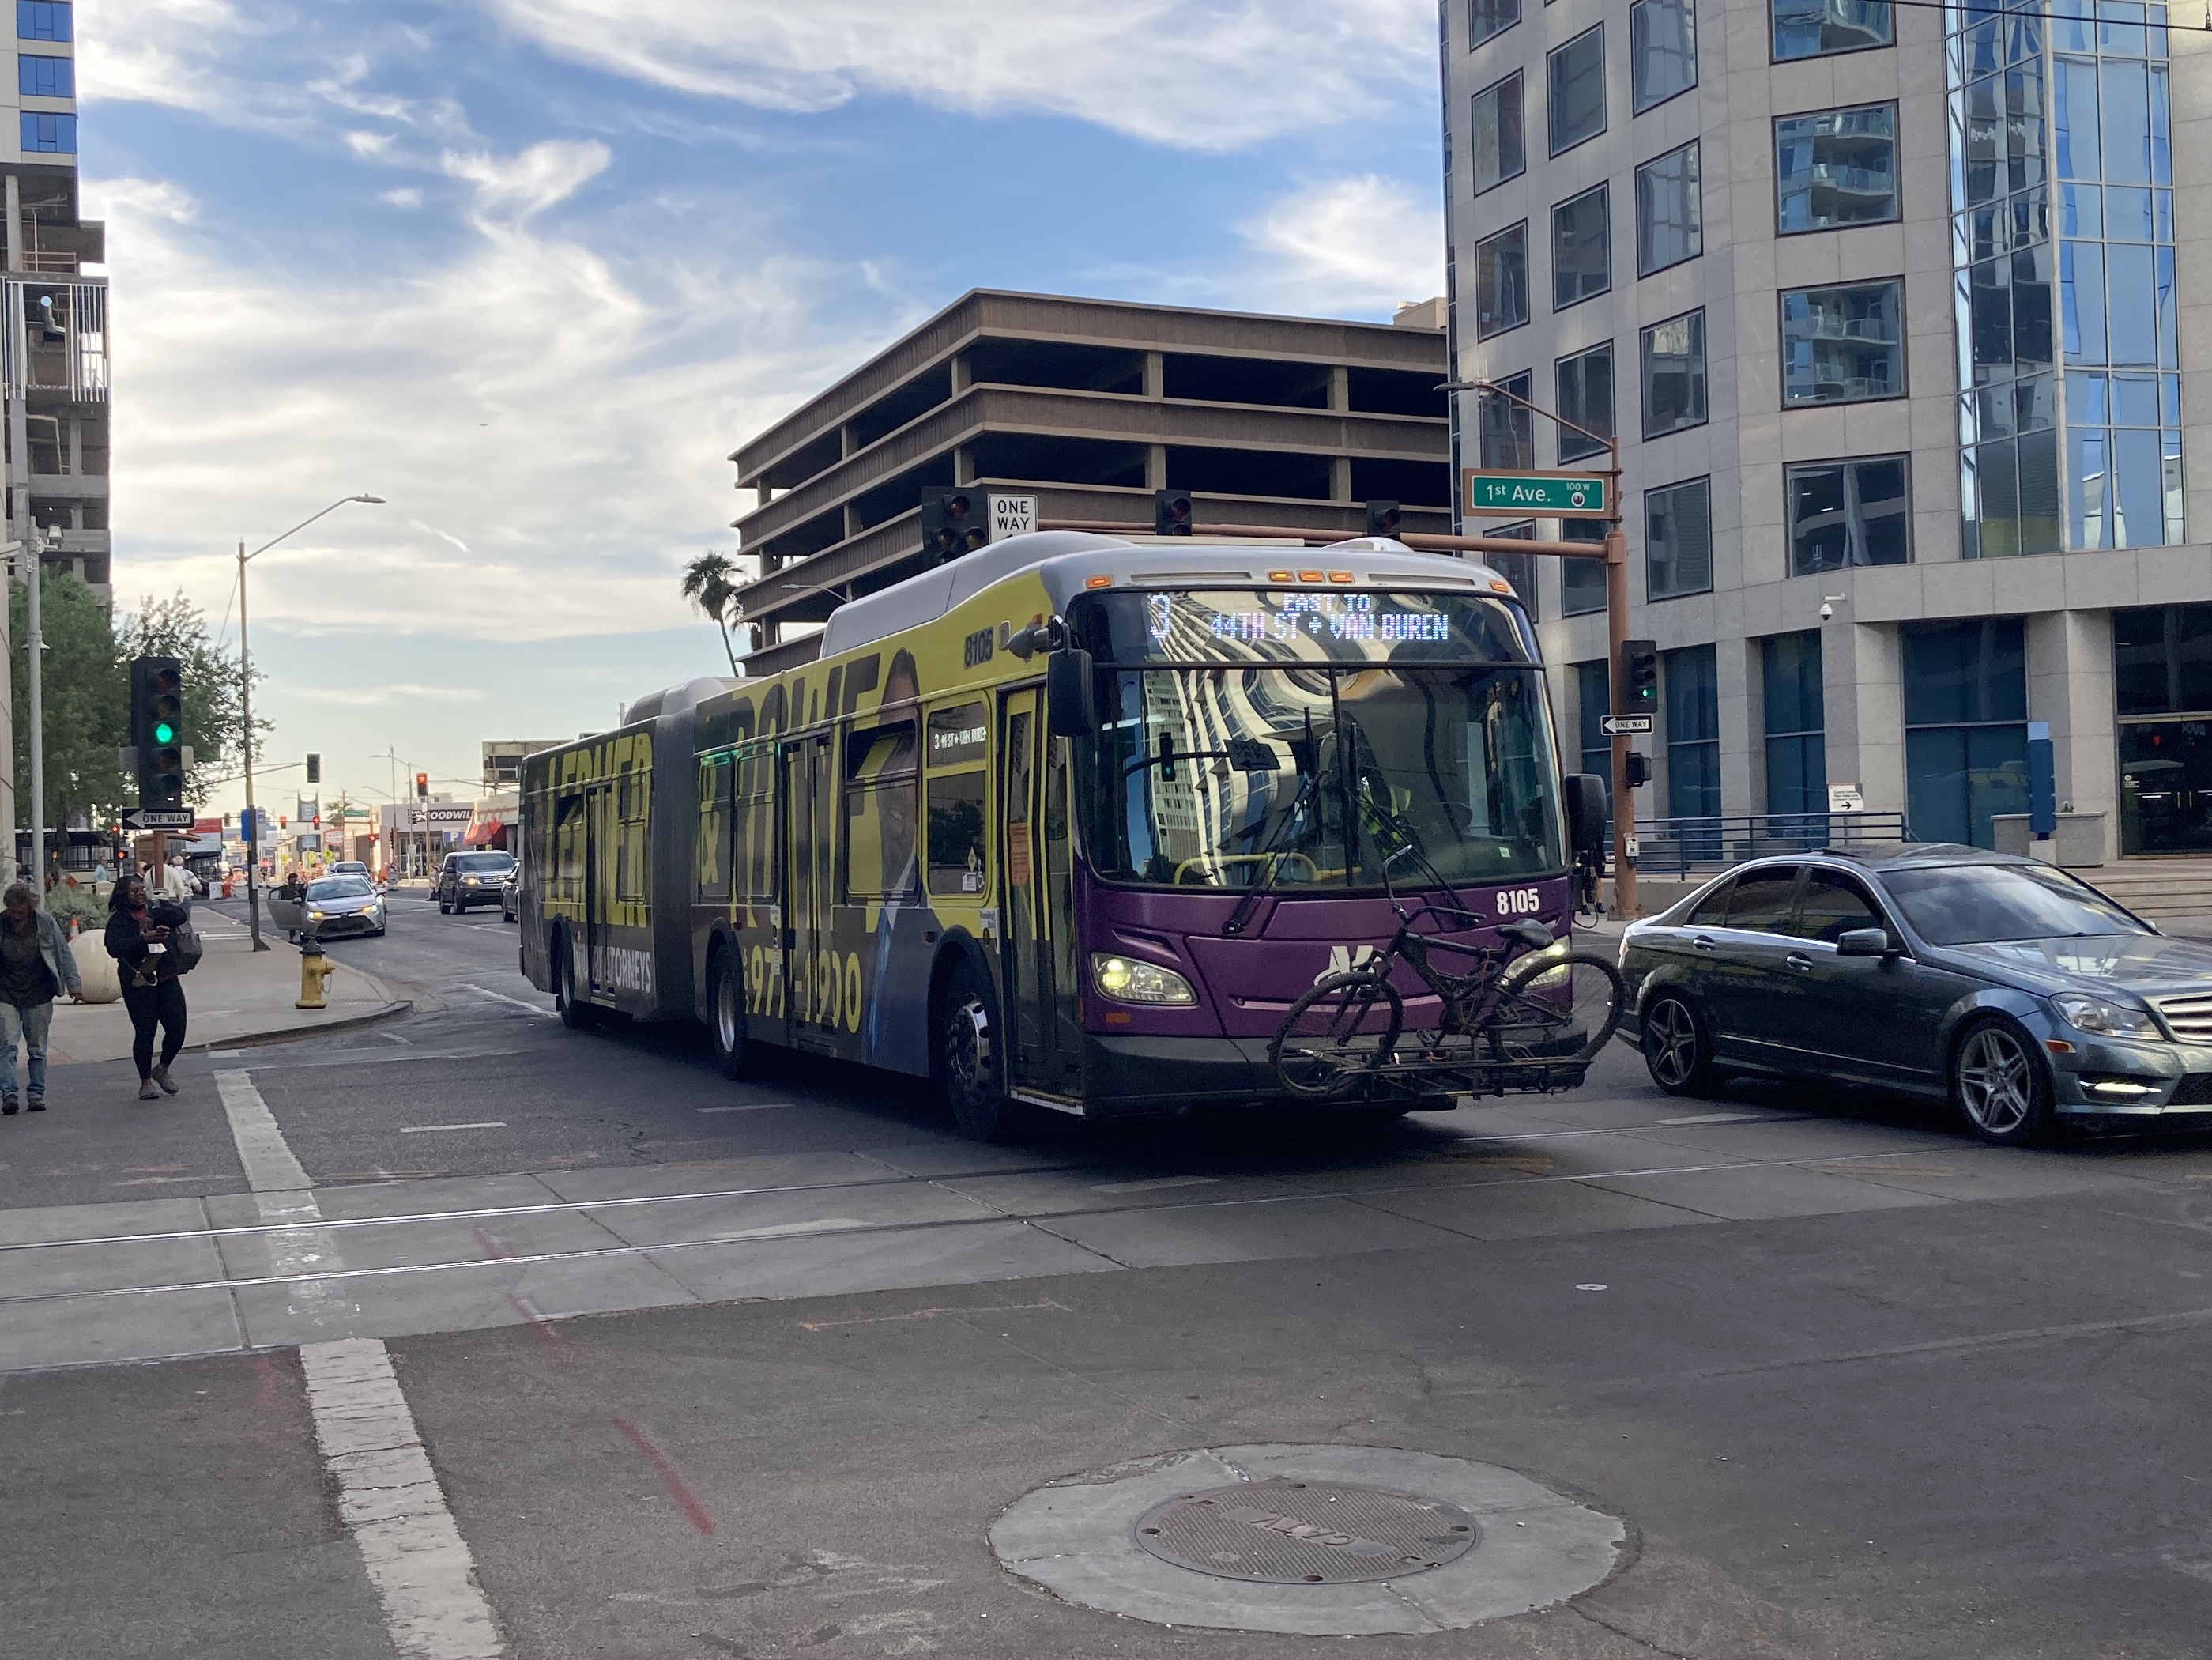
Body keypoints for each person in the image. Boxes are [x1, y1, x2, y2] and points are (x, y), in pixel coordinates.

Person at [0, 881, 80, 1115]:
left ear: (30, 907)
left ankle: (36, 1094)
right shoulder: (1, 924)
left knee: (37, 1049)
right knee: (6, 1046)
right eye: (12, 911)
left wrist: (73, 983)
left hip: (39, 992)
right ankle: (9, 1095)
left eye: (21, 912)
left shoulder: (44, 922)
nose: (16, 917)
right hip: (5, 992)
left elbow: (62, 952)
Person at [106, 873, 187, 1101]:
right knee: (145, 1032)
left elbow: (180, 915)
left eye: (142, 889)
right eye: (133, 891)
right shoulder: (119, 920)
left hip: (167, 977)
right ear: (124, 895)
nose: (140, 894)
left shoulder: (155, 907)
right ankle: (145, 1082)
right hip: (138, 982)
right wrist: (144, 939)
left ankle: (162, 1068)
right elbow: (114, 948)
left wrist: (155, 917)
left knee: (177, 1028)